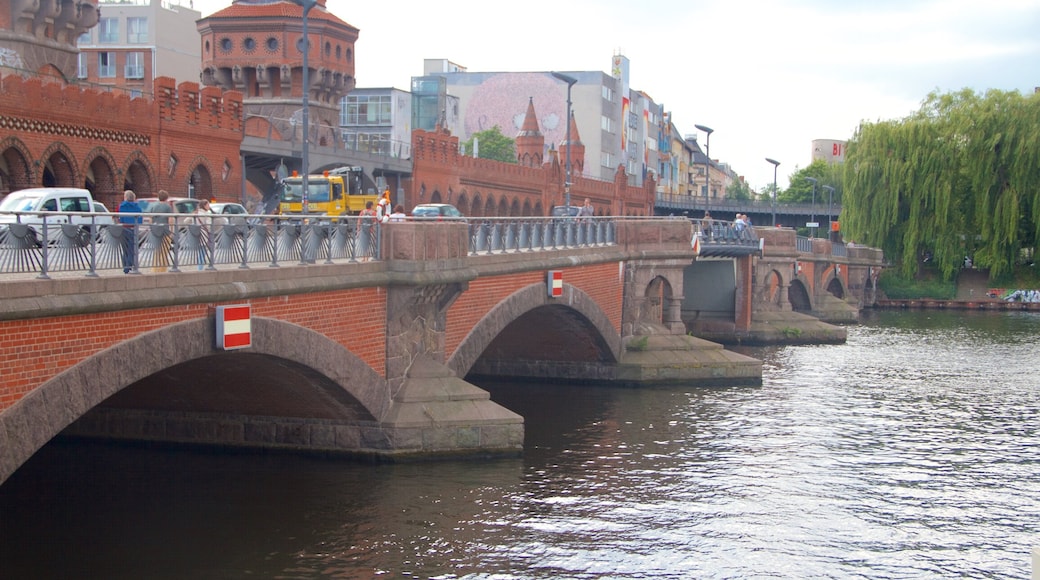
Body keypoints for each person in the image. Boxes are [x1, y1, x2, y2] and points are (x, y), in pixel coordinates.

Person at [118, 189, 143, 273]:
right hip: (133, 230)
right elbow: (140, 220)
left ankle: (125, 267)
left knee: (124, 249)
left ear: (125, 197)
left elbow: (120, 219)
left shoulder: (121, 206)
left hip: (124, 229)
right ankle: (130, 266)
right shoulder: (137, 207)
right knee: (132, 249)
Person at [150, 189, 174, 272]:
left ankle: (154, 269)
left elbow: (150, 218)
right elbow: (170, 219)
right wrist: (171, 230)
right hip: (165, 231)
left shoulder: (154, 206)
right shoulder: (168, 207)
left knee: (156, 250)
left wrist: (152, 228)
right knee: (164, 251)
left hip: (155, 231)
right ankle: (162, 269)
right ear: (166, 198)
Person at [193, 198, 215, 270]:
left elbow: (185, 220)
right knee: (203, 251)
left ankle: (199, 267)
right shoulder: (207, 214)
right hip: (204, 234)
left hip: (195, 234)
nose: (209, 206)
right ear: (204, 206)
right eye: (208, 204)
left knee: (200, 251)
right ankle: (200, 267)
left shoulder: (196, 213)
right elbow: (209, 225)